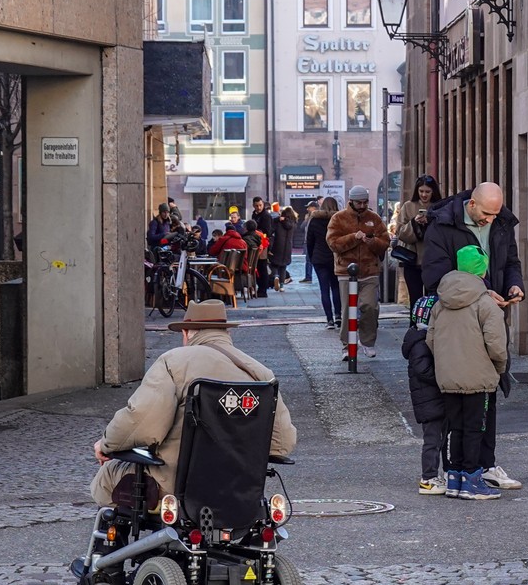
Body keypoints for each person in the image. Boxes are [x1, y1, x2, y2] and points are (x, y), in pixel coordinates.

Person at [89, 300, 297, 507]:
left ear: (186, 333)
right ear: (227, 333)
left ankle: (123, 528)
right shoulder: (260, 374)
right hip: (240, 491)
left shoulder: (173, 362)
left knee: (106, 478)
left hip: (174, 487)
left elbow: (142, 421)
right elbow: (282, 444)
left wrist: (107, 444)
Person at [422, 181, 524, 491]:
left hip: (491, 312)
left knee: (486, 397)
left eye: (496, 214)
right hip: (460, 322)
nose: (491, 220)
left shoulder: (501, 222)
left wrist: (514, 285)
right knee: (460, 408)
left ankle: (484, 465)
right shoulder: (443, 225)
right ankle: (464, 470)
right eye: (486, 214)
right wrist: (479, 292)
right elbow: (435, 277)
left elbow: (511, 262)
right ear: (472, 205)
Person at [426, 247, 508, 501]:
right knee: (475, 428)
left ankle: (454, 477)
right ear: (482, 270)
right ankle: (472, 479)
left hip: (448, 376)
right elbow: (496, 344)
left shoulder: (441, 303)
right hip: (478, 376)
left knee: (454, 428)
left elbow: (431, 338)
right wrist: (499, 368)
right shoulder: (485, 303)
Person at [326, 185, 390, 360]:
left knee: (370, 307)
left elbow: (385, 242)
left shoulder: (374, 218)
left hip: (370, 270)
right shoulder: (338, 218)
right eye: (358, 202)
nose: (362, 206)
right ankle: (347, 345)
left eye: (365, 202)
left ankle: (367, 341)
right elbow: (333, 243)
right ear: (351, 201)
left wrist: (372, 242)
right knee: (348, 310)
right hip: (346, 271)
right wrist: (354, 237)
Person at [403, 294, 449, 495]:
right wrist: (444, 376)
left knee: (442, 439)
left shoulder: (419, 338)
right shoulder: (420, 342)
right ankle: (428, 478)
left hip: (432, 399)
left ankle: (441, 474)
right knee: (433, 440)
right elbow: (424, 370)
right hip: (430, 401)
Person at [394, 174, 443, 307]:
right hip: (412, 259)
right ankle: (415, 320)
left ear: (433, 192)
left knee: (432, 300)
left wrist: (429, 221)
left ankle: (430, 321)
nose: (424, 195)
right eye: (421, 191)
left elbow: (444, 232)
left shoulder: (439, 207)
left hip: (433, 260)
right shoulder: (408, 206)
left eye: (427, 192)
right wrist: (414, 223)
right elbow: (400, 231)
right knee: (415, 299)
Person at [306, 196, 340, 329]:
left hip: (319, 258)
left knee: (324, 289)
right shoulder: (338, 219)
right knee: (336, 288)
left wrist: (312, 256)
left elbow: (310, 240)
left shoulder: (315, 220)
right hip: (334, 257)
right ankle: (338, 316)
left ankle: (329, 319)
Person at [270, 206, 297, 292]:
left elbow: (271, 230)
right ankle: (281, 286)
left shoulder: (279, 222)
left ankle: (275, 276)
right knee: (283, 266)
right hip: (288, 247)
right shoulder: (293, 224)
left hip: (277, 246)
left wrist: (277, 219)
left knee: (273, 264)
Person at [300, 200, 319, 283]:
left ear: (314, 208)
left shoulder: (317, 217)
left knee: (313, 260)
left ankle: (309, 277)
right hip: (308, 241)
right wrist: (306, 219)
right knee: (308, 260)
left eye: (309, 207)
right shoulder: (308, 217)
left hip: (314, 241)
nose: (307, 209)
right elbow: (302, 227)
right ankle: (308, 277)